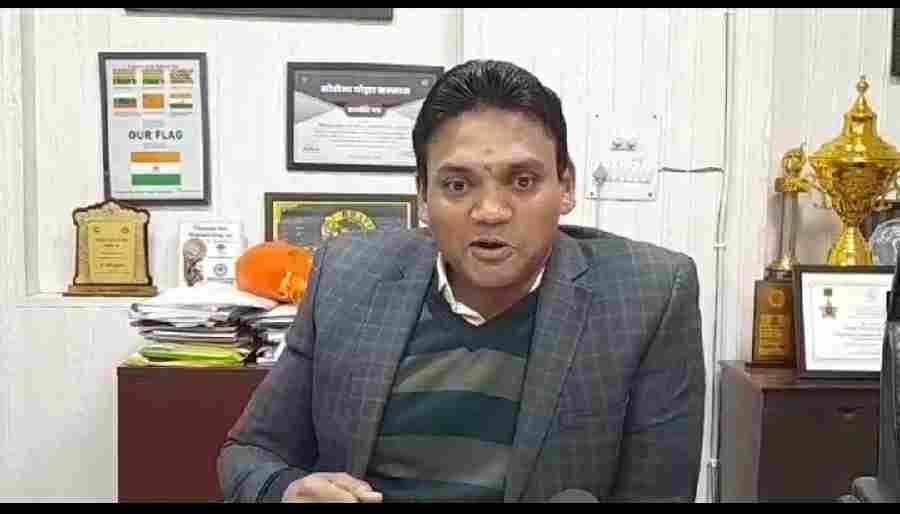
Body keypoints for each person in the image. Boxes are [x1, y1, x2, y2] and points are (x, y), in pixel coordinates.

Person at [218, 59, 706, 503]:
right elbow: (249, 452)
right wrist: (286, 491)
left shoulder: (649, 296)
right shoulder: (347, 278)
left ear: (567, 186)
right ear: (423, 196)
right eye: (457, 185)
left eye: (523, 181)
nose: (490, 211)